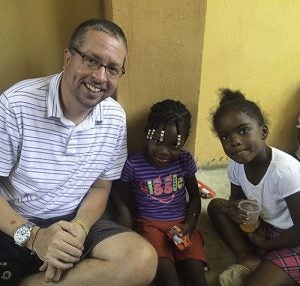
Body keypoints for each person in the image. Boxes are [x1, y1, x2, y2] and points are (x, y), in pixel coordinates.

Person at [0, 18, 157, 286]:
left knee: (141, 259)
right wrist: (35, 237)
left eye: (113, 69)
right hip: (14, 222)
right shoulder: (15, 106)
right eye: (91, 60)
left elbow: (100, 187)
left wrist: (79, 229)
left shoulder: (115, 119)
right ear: (68, 57)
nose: (100, 77)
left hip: (73, 219)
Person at [207, 89, 300, 286]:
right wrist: (237, 208)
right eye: (225, 136)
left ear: (263, 132)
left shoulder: (286, 171)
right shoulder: (235, 166)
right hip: (265, 225)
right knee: (216, 206)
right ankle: (248, 258)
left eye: (243, 131)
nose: (235, 141)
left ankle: (271, 259)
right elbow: (236, 200)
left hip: (294, 238)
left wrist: (264, 243)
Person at [112, 99, 208, 286]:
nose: (164, 151)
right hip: (150, 226)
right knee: (168, 279)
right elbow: (117, 190)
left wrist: (191, 221)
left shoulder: (185, 161)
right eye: (157, 141)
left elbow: (195, 197)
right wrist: (124, 213)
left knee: (197, 278)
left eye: (173, 146)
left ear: (184, 142)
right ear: (147, 133)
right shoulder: (134, 164)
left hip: (182, 225)